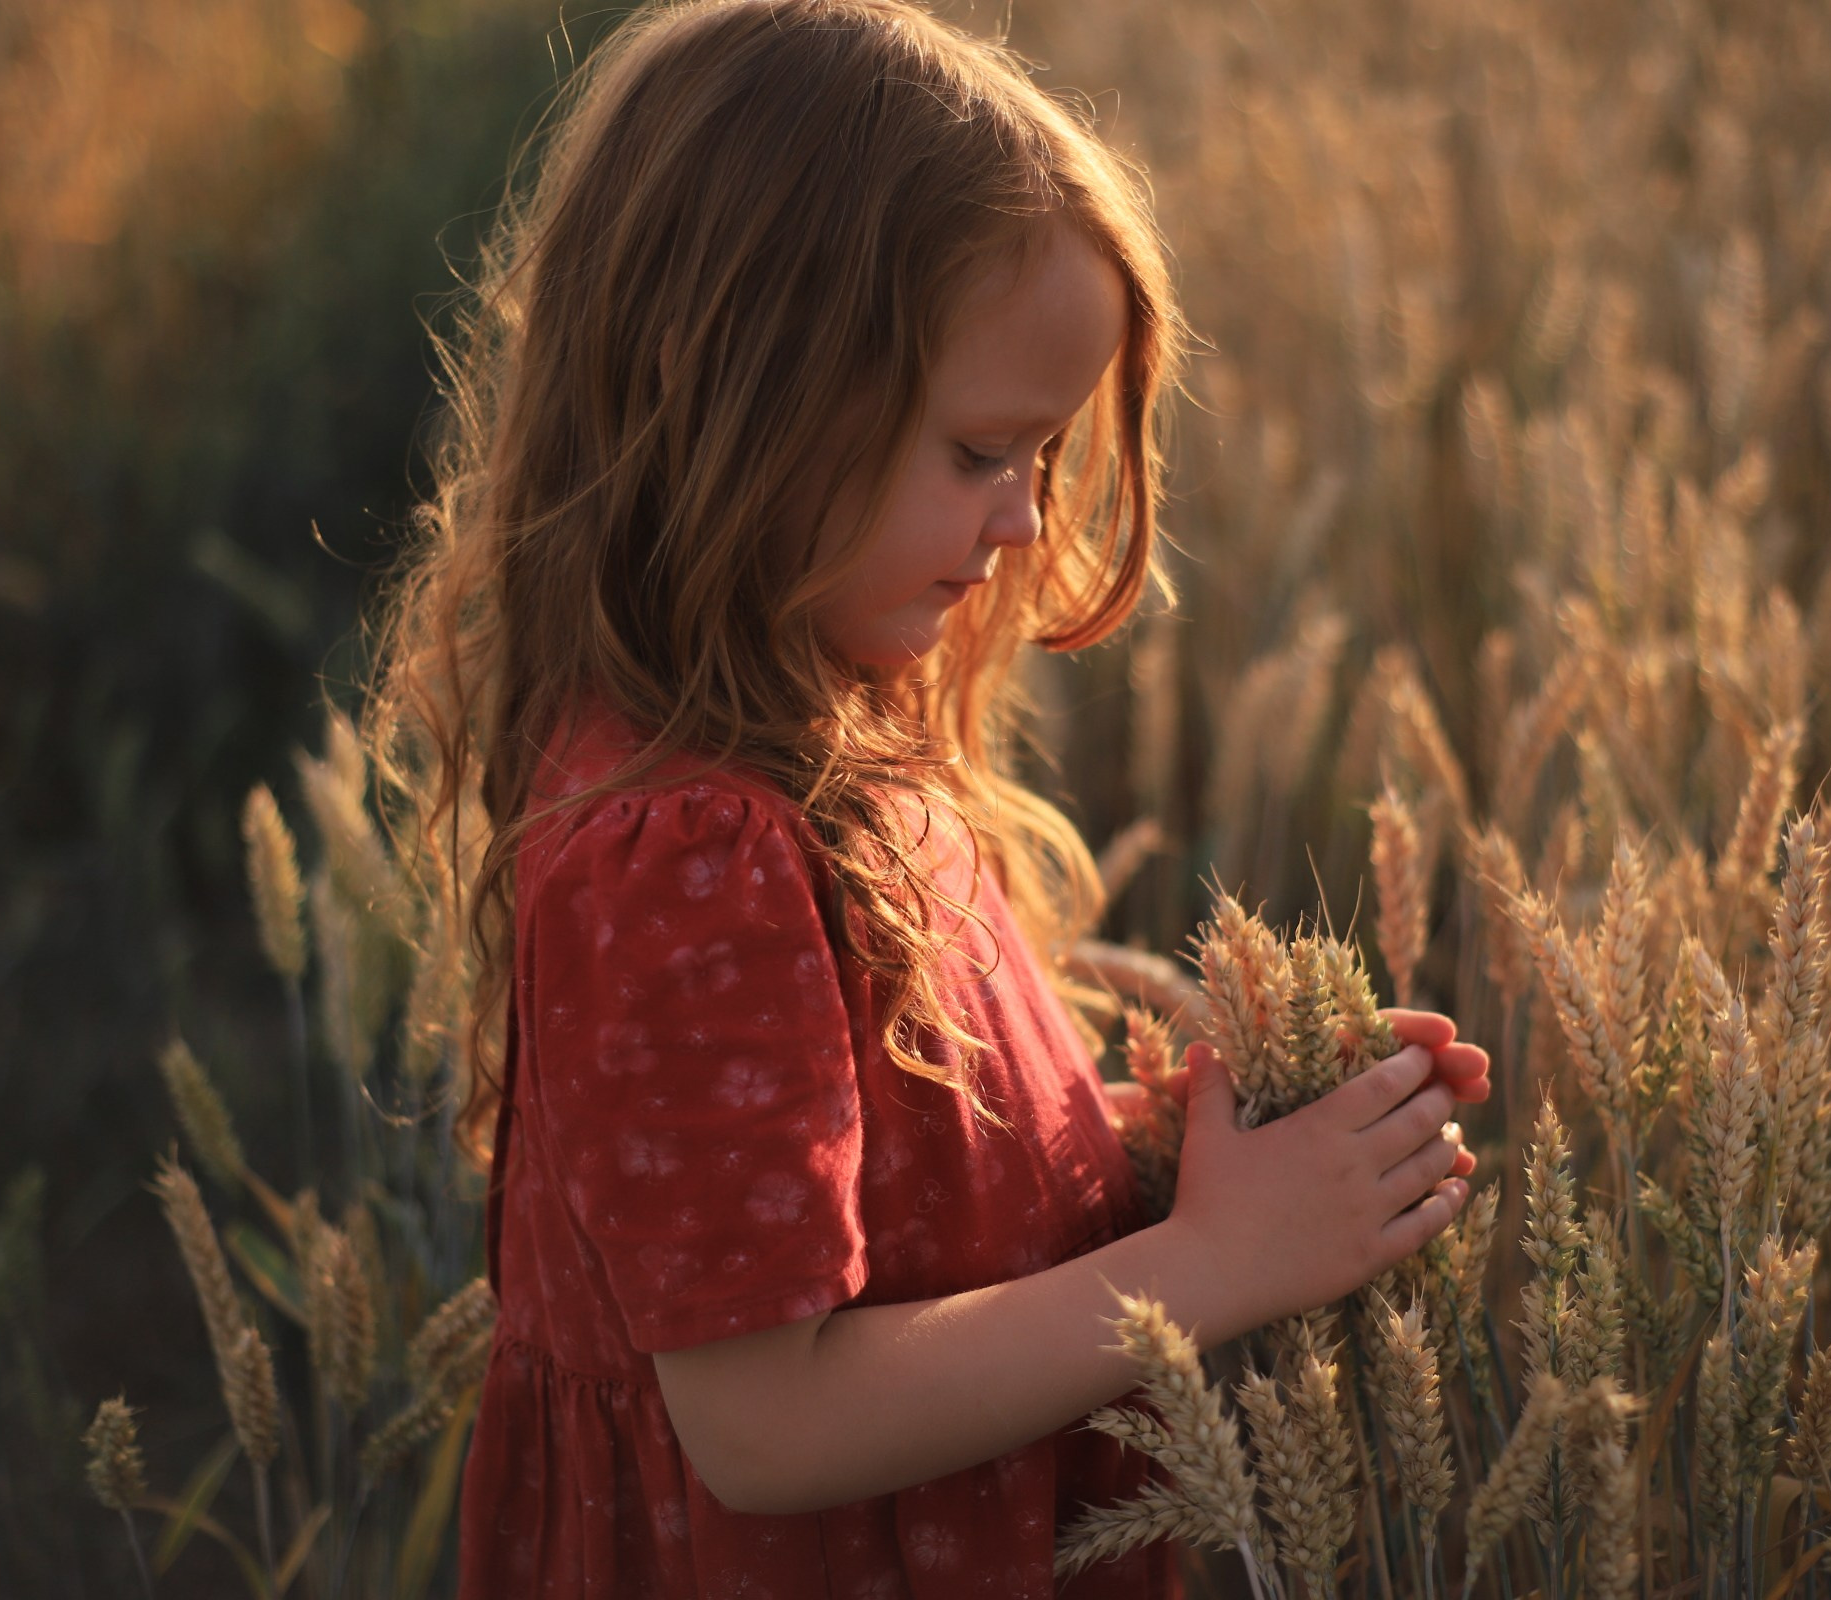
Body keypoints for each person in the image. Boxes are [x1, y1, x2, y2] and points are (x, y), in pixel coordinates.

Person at [363, 0, 1492, 1591]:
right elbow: (769, 1423)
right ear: (748, 394)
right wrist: (1219, 1261)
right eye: (980, 451)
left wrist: (1200, 1146)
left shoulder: (824, 737)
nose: (1028, 521)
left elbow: (895, 1196)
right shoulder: (690, 849)